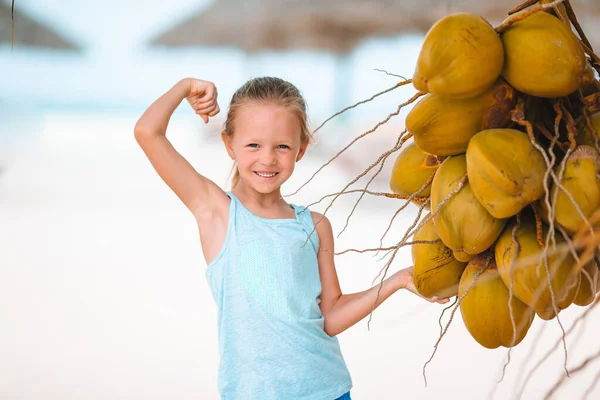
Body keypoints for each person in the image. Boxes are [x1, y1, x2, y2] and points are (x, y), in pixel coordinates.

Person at [134, 76, 448, 400]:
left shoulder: (314, 225)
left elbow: (330, 317)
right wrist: (185, 87)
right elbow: (147, 132)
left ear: (301, 149)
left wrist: (395, 280)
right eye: (253, 144)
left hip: (329, 390)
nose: (268, 159)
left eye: (282, 146)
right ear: (229, 144)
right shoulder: (218, 213)